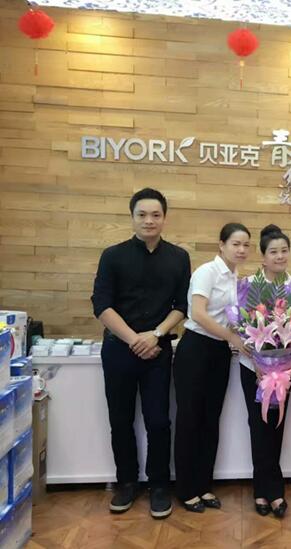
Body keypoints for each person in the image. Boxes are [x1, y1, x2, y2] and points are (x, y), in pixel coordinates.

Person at [91, 187, 191, 518]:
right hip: (118, 349)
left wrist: (156, 335)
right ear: (132, 217)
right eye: (142, 214)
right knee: (120, 420)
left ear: (164, 218)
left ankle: (159, 485)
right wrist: (135, 339)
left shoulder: (178, 257)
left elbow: (182, 305)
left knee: (159, 420)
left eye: (155, 215)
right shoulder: (112, 256)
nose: (149, 220)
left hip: (157, 352)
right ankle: (127, 483)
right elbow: (101, 305)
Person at [173, 222, 251, 513]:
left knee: (210, 419)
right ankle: (186, 489)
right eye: (235, 244)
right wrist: (233, 337)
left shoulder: (235, 277)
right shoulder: (207, 272)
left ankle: (204, 485)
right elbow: (198, 314)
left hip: (219, 352)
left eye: (245, 245)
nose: (241, 249)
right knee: (189, 419)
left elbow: (231, 317)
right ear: (222, 245)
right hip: (195, 348)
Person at [240, 224, 291, 518]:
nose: (279, 256)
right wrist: (257, 364)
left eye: (284, 251)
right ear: (262, 256)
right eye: (273, 251)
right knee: (258, 425)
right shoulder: (248, 285)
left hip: (285, 370)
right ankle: (262, 490)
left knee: (277, 426)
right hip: (253, 369)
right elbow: (240, 328)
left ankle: (273, 491)